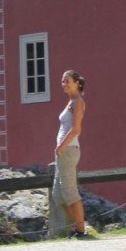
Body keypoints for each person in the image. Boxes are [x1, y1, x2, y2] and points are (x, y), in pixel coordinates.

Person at [48, 70, 94, 238]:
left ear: (77, 83)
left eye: (67, 81)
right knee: (58, 194)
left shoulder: (78, 102)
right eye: (62, 81)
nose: (64, 84)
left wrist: (61, 146)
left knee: (70, 192)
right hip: (62, 151)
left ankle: (81, 230)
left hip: (68, 150)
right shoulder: (71, 101)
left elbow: (76, 129)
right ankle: (79, 225)